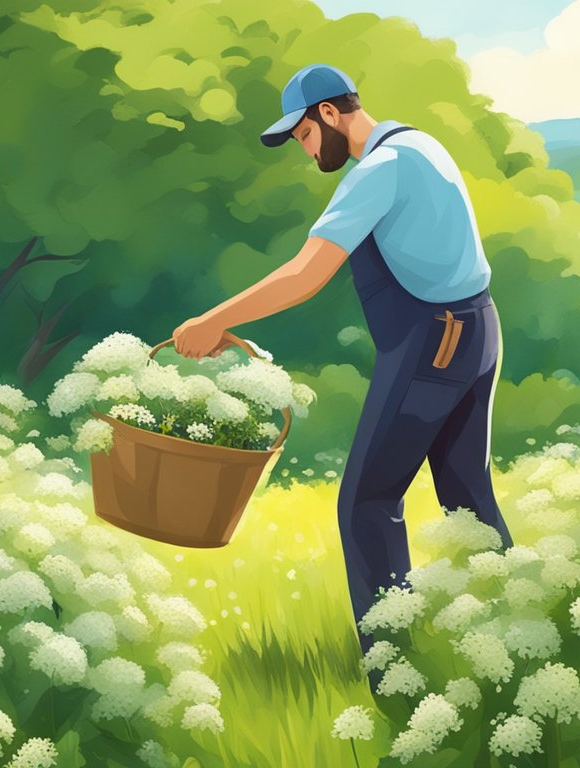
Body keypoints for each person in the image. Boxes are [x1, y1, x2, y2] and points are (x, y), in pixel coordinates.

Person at [172, 62, 514, 686]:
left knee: (368, 502)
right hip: (479, 330)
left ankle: (393, 670)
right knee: (467, 493)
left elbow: (306, 274)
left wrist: (210, 322)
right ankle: (517, 632)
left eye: (302, 135)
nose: (305, 150)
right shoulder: (421, 144)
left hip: (432, 342)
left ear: (329, 114)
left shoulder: (376, 172)